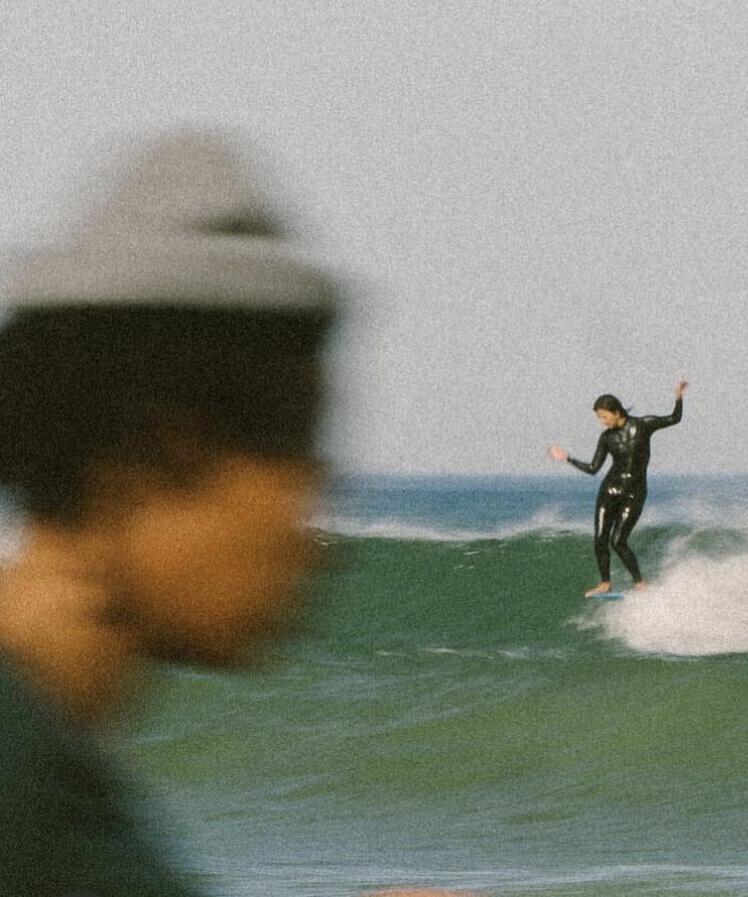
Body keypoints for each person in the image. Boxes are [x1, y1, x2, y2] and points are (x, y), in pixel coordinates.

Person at [0, 132, 473, 897]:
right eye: (299, 464)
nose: (315, 537)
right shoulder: (29, 806)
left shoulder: (50, 777)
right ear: (163, 454)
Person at [549, 380, 687, 597]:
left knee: (618, 541)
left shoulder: (643, 425)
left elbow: (674, 418)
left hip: (635, 492)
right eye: (599, 418)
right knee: (600, 539)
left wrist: (678, 397)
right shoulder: (606, 438)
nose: (602, 422)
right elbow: (594, 468)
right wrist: (568, 458)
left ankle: (640, 583)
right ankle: (605, 584)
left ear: (616, 411)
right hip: (610, 490)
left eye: (604, 417)